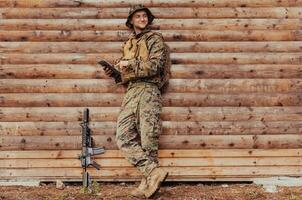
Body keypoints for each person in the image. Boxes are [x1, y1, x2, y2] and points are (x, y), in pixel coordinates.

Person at [102, 4, 170, 198]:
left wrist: (129, 64)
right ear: (131, 21)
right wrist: (115, 74)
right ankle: (153, 172)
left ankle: (148, 185)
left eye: (144, 16)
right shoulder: (129, 43)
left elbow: (156, 66)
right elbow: (126, 76)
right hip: (132, 92)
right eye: (138, 16)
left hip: (149, 90)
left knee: (148, 139)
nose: (142, 19)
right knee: (123, 137)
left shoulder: (155, 39)